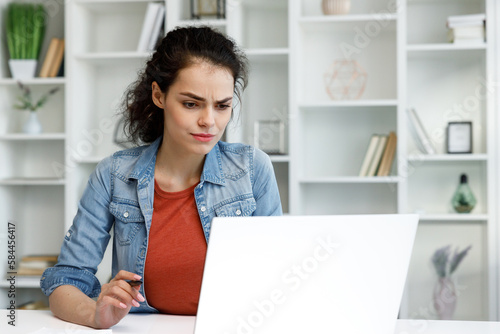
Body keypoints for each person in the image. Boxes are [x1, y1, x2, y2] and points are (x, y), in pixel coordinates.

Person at [40, 26, 282, 329]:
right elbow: (65, 281)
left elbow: (278, 276)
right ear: (159, 95)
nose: (209, 121)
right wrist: (95, 314)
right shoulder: (113, 175)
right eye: (191, 104)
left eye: (222, 106)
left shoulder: (252, 169)